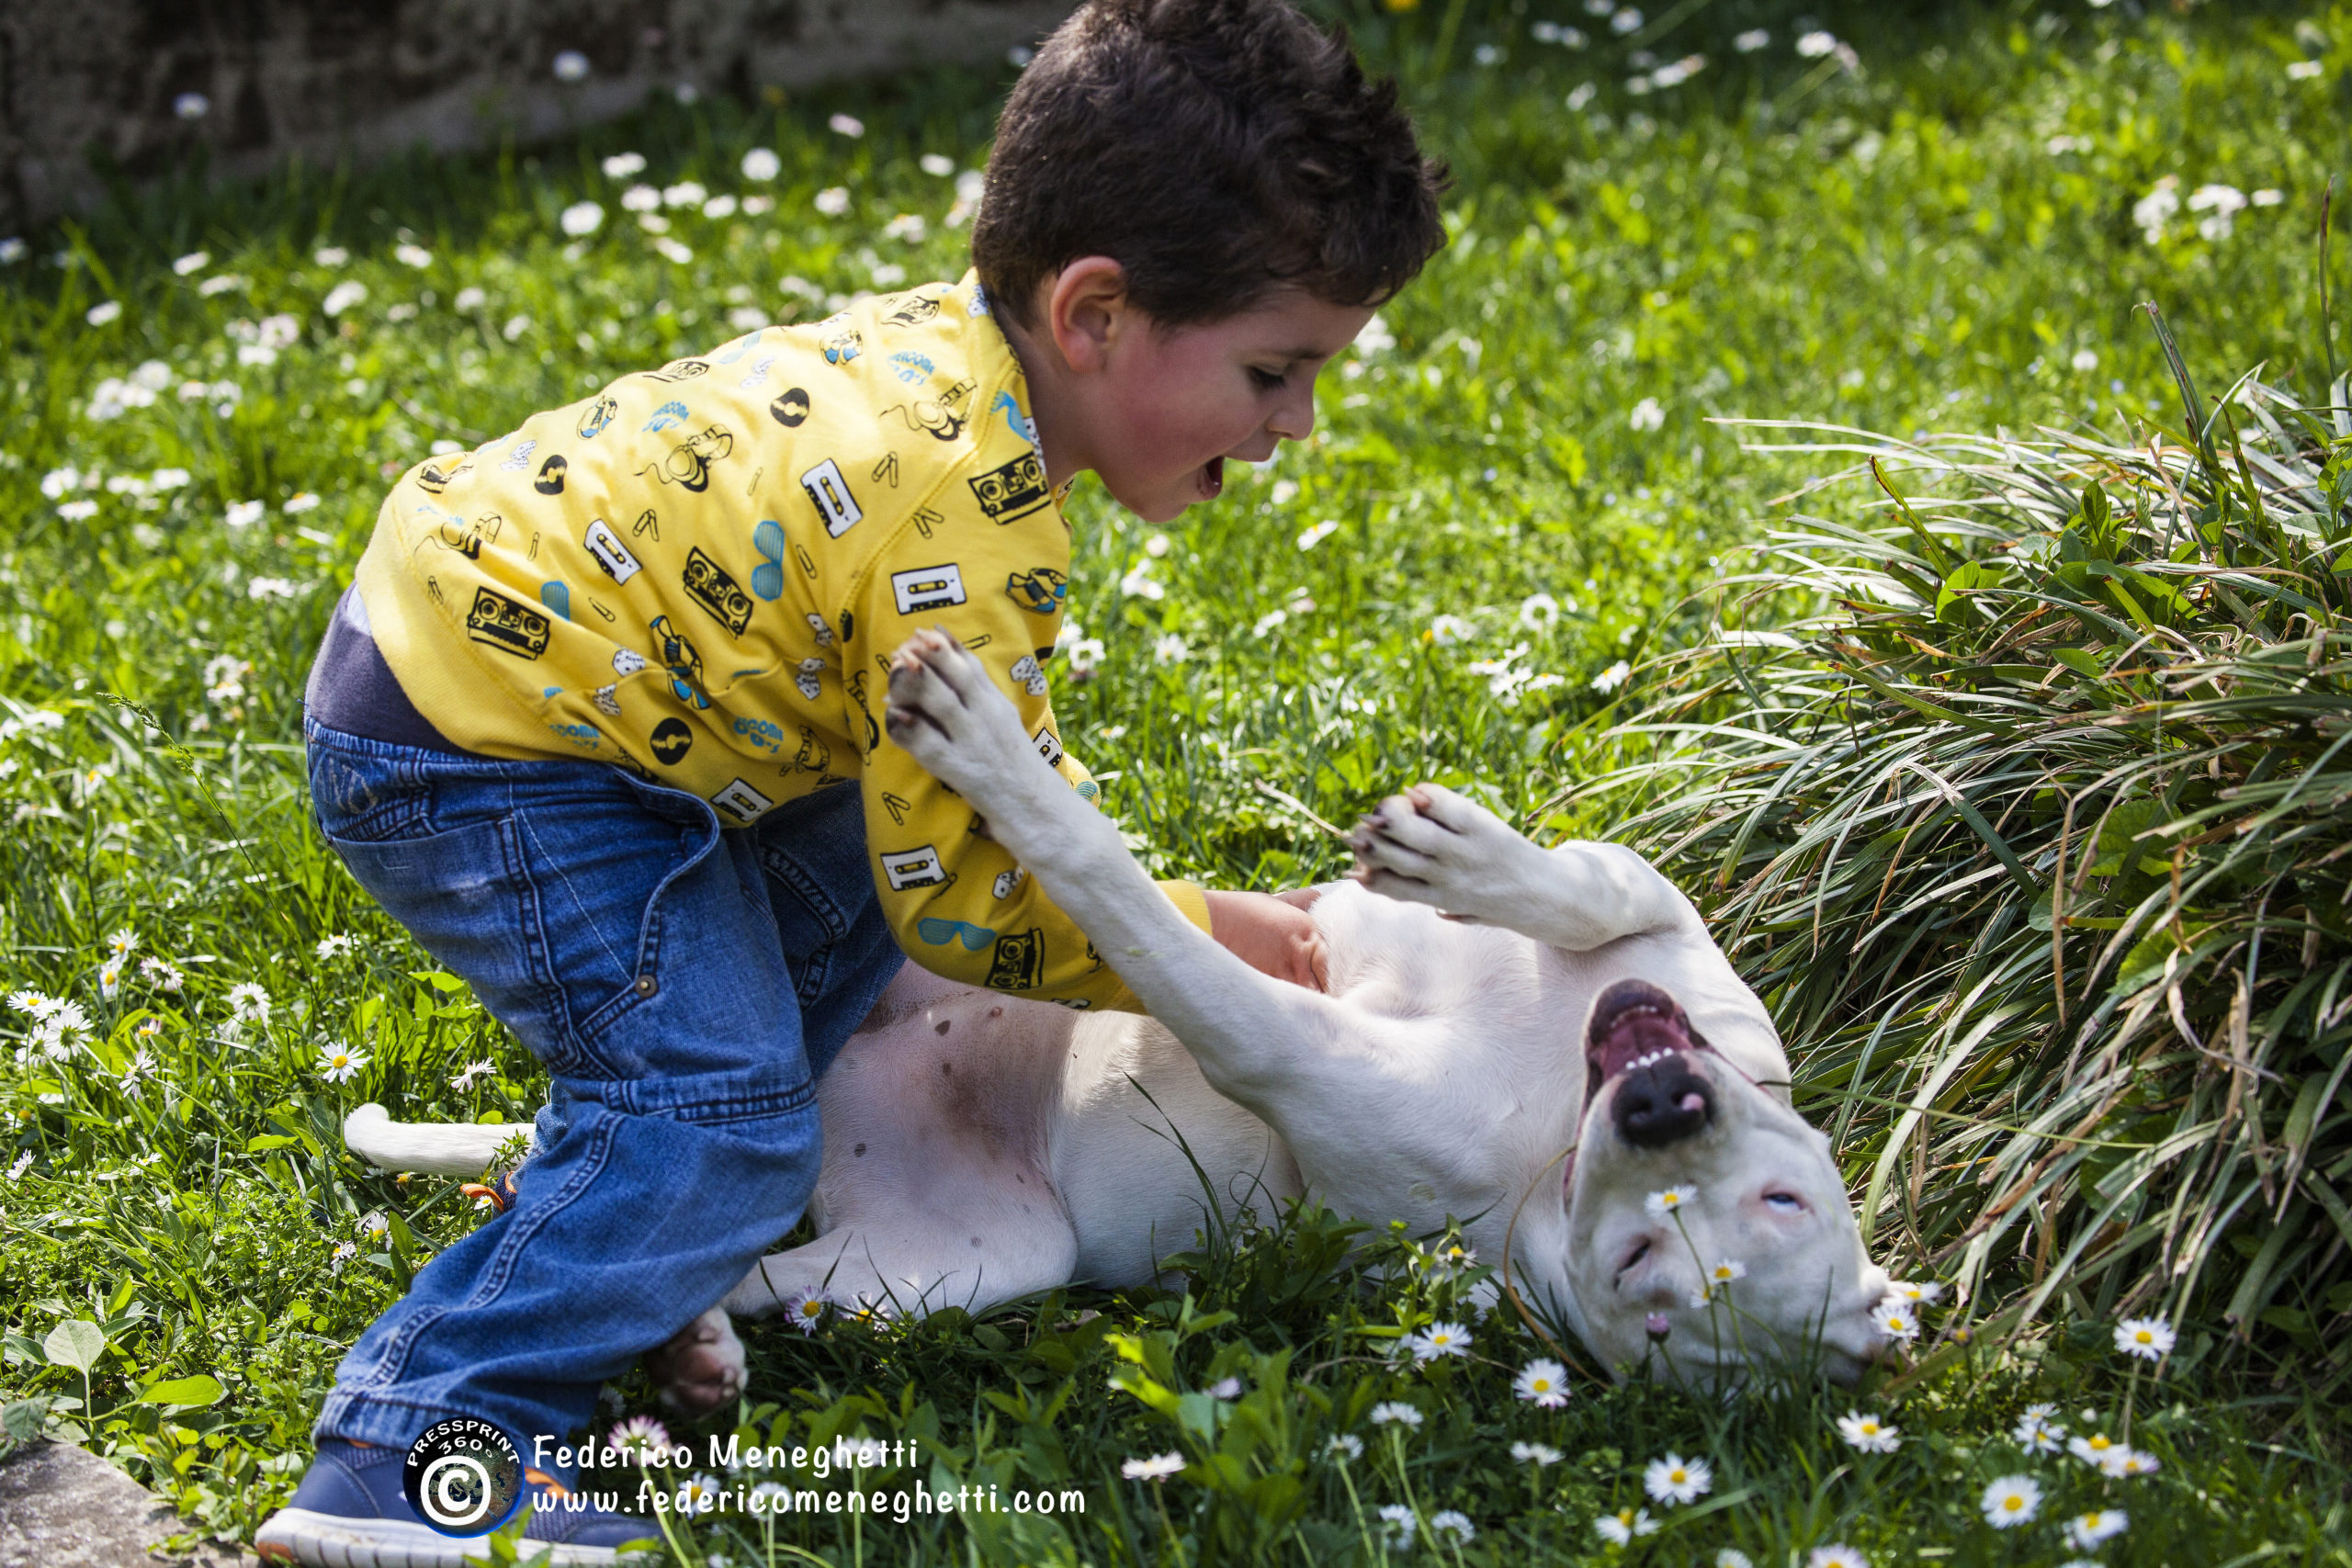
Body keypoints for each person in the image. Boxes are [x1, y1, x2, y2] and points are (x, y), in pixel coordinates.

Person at [257, 0, 1445, 1560]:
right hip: (492, 745)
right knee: (721, 1104)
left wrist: (1152, 892)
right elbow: (973, 902)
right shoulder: (963, 521)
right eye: (1274, 371)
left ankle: (634, 1219)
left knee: (828, 924)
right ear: (1093, 313)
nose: (1295, 423)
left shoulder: (958, 377)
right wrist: (1201, 945)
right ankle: (407, 1457)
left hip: (516, 675)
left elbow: (977, 794)